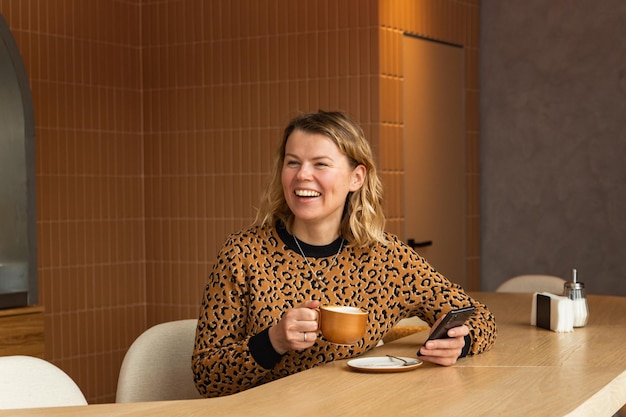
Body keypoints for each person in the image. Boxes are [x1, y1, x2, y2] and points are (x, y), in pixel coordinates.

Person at [192, 110, 497, 398]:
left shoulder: (386, 258)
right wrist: (273, 341)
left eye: (320, 164)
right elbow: (206, 376)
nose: (302, 176)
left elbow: (479, 316)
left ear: (357, 177)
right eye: (293, 162)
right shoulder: (243, 254)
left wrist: (461, 342)